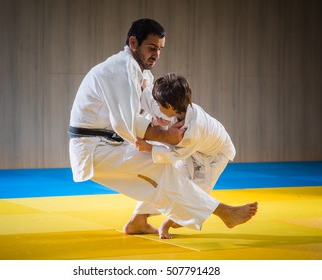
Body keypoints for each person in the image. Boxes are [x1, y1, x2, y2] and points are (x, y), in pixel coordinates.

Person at [69, 18, 258, 236]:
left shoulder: (140, 72)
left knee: (160, 175)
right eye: (151, 48)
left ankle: (138, 222)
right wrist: (165, 136)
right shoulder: (119, 70)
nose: (156, 55)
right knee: (163, 171)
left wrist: (168, 123)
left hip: (109, 143)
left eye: (160, 49)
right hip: (94, 149)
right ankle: (223, 212)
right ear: (133, 42)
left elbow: (153, 106)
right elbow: (124, 123)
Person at [134, 73, 242, 238]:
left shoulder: (193, 129)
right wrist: (144, 82)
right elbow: (150, 98)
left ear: (169, 105)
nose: (156, 106)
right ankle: (138, 220)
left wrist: (149, 148)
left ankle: (168, 223)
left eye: (158, 104)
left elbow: (176, 154)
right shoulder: (176, 108)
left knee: (195, 193)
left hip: (215, 155)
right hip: (193, 152)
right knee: (166, 179)